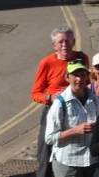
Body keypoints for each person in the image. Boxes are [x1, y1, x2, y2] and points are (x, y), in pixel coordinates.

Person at [32, 27, 90, 177]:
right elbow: (35, 93)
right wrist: (49, 98)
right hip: (53, 109)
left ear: (73, 42)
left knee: (77, 146)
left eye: (68, 41)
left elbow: (88, 82)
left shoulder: (82, 58)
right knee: (45, 150)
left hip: (77, 108)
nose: (65, 45)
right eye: (60, 42)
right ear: (54, 45)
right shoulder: (47, 62)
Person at [45, 61, 99, 177]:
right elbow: (49, 138)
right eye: (75, 75)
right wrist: (75, 131)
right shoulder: (60, 103)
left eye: (82, 75)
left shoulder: (93, 99)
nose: (79, 79)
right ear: (67, 77)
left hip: (91, 161)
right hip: (68, 163)